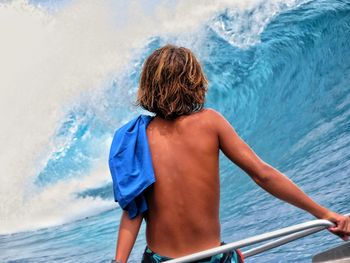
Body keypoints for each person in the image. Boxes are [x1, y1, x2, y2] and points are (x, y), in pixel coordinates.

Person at [111, 44, 350, 263]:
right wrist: (324, 213)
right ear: (194, 81)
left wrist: (118, 262)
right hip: (213, 257)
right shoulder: (210, 123)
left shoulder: (137, 137)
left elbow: (133, 210)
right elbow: (263, 174)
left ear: (149, 85)